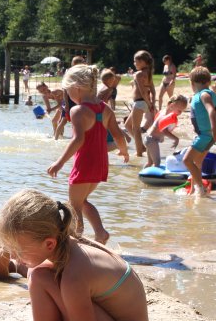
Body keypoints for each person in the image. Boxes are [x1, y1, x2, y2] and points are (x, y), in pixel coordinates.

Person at [0, 189, 151, 321]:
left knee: (38, 275)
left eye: (18, 250)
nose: (13, 256)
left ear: (49, 243)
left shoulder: (74, 276)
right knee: (38, 273)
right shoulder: (69, 244)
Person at [47, 65, 129, 244]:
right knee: (82, 201)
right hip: (101, 164)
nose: (68, 95)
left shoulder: (78, 111)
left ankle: (76, 240)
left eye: (68, 91)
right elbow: (118, 135)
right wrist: (124, 150)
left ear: (76, 87)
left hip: (85, 163)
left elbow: (78, 140)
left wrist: (59, 162)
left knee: (74, 204)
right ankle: (100, 233)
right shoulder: (105, 109)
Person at [183, 66, 216, 197]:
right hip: (206, 135)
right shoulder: (204, 93)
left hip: (206, 135)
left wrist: (214, 130)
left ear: (193, 83)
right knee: (197, 162)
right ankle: (193, 190)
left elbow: (212, 111)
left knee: (187, 160)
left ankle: (201, 189)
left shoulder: (204, 94)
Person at [124, 50, 156, 157]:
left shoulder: (138, 74)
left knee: (135, 129)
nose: (134, 64)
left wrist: (149, 103)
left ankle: (139, 153)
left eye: (135, 61)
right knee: (127, 125)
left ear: (143, 62)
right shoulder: (148, 73)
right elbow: (153, 90)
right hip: (143, 103)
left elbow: (142, 92)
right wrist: (152, 103)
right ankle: (141, 146)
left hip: (140, 102)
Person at [143, 94, 187, 167]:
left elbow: (157, 127)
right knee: (157, 162)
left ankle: (142, 175)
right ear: (171, 105)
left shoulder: (163, 112)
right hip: (152, 140)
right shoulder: (167, 117)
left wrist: (161, 137)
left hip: (149, 139)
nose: (180, 113)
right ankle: (153, 177)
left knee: (150, 162)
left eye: (182, 111)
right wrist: (176, 139)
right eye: (179, 110)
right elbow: (164, 131)